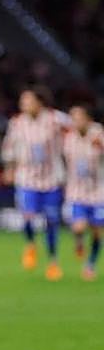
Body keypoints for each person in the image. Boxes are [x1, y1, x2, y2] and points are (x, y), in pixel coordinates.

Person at [2, 88, 68, 280]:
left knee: (52, 221)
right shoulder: (17, 123)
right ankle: (31, 244)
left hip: (52, 179)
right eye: (22, 101)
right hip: (26, 179)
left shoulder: (56, 119)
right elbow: (9, 147)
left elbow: (77, 131)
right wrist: (9, 168)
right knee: (28, 216)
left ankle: (53, 261)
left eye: (28, 100)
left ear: (39, 102)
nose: (23, 104)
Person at [62, 104, 103, 281]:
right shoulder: (69, 139)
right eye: (73, 119)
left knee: (97, 231)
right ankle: (79, 241)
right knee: (78, 227)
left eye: (79, 118)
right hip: (77, 192)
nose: (75, 122)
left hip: (98, 192)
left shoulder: (98, 134)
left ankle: (90, 265)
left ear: (88, 119)